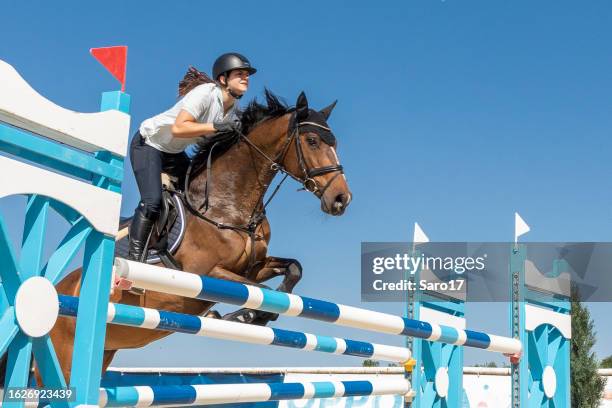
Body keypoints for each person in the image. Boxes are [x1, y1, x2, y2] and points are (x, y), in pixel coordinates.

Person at [127, 52, 257, 262]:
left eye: (247, 74)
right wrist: (216, 126)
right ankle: (133, 259)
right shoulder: (205, 93)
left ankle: (169, 245)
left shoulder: (232, 110)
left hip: (174, 153)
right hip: (149, 145)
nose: (246, 78)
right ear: (223, 79)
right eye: (240, 73)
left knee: (199, 194)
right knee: (152, 202)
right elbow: (179, 128)